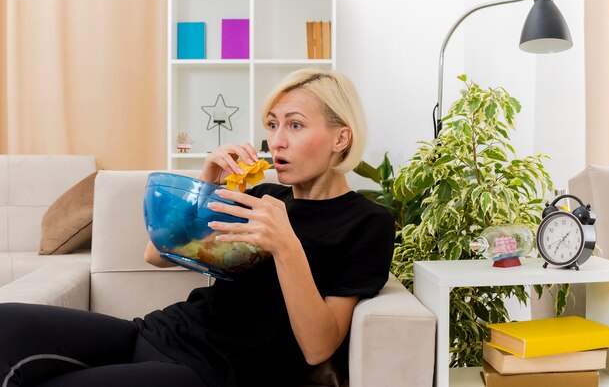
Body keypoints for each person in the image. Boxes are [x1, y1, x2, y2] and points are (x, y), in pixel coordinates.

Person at [0, 69, 394, 387]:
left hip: (212, 370)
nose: (276, 142)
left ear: (341, 137)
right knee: (7, 324)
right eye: (272, 125)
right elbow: (157, 255)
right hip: (156, 331)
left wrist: (286, 246)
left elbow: (318, 347)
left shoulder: (367, 223)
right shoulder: (262, 194)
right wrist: (205, 185)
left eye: (294, 125)